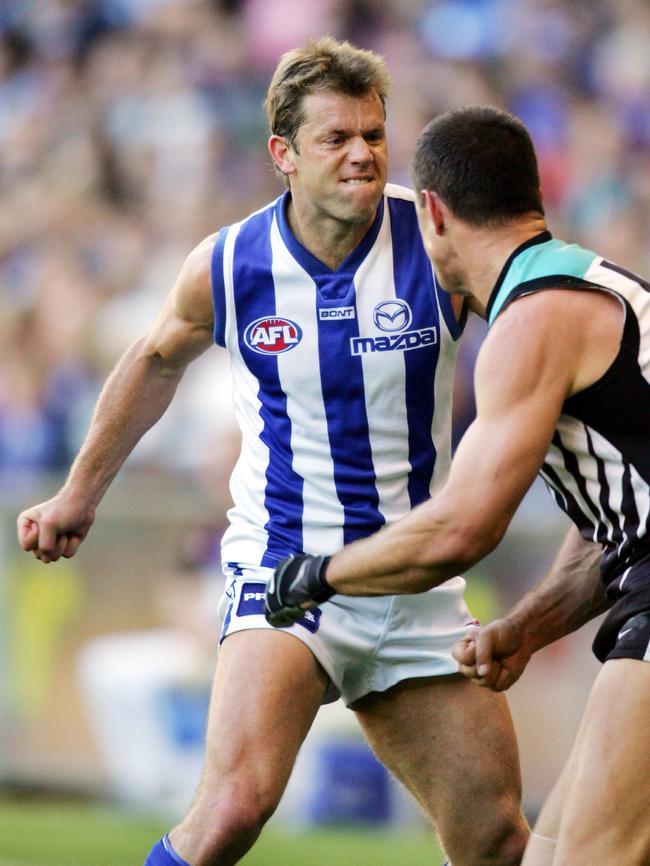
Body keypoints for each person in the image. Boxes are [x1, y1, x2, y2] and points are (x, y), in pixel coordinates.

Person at [16, 41, 529, 866]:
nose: (362, 153)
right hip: (286, 573)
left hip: (416, 578)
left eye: (373, 133)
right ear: (283, 155)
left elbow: (541, 329)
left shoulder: (438, 236)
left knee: (497, 840)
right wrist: (80, 493)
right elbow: (154, 361)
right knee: (232, 810)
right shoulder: (229, 264)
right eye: (337, 138)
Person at [264, 103, 650, 866]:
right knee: (549, 856)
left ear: (431, 212)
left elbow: (461, 530)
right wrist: (527, 629)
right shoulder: (576, 285)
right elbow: (616, 520)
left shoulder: (533, 320)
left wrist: (320, 574)